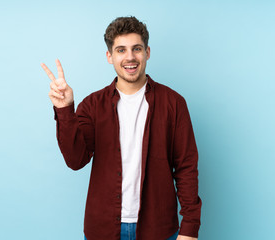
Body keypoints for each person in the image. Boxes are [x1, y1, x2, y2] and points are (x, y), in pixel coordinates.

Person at [41, 16, 201, 240]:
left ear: (147, 52)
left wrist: (190, 228)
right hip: (103, 229)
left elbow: (186, 167)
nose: (130, 57)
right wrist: (65, 109)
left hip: (158, 229)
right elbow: (76, 160)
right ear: (110, 56)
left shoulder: (173, 103)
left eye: (136, 49)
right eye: (121, 50)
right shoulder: (92, 105)